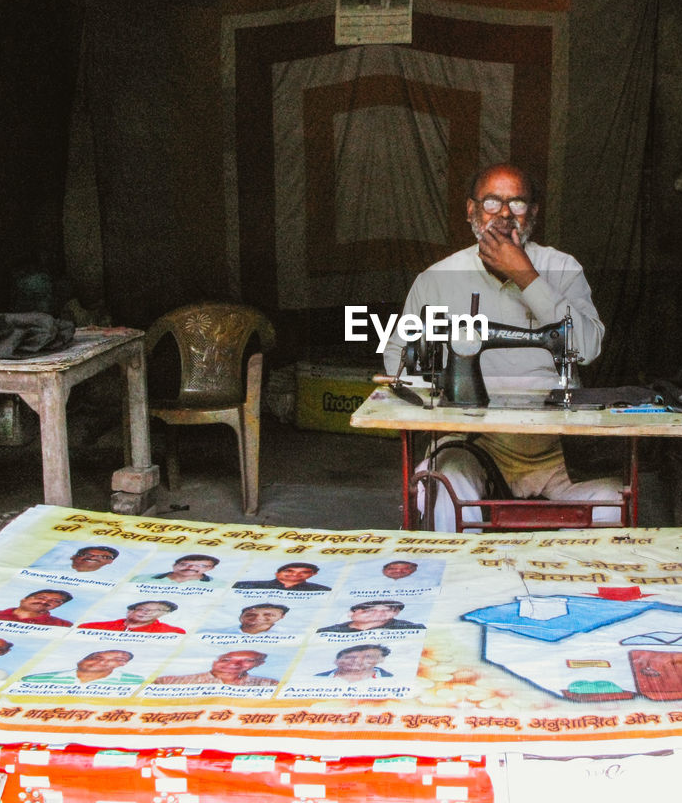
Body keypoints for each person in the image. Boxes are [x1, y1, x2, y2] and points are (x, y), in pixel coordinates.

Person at [382, 163, 619, 531]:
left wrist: (527, 277)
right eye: (492, 202)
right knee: (445, 490)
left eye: (518, 203)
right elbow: (398, 357)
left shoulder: (561, 268)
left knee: (612, 505)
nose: (505, 214)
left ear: (534, 212)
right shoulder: (437, 280)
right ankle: (462, 583)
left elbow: (587, 347)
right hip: (476, 444)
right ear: (471, 210)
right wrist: (444, 383)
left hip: (557, 449)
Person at [153, 650, 277, 687]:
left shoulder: (270, 684)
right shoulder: (166, 682)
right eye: (226, 660)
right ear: (215, 662)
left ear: (259, 664)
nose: (234, 664)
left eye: (247, 661)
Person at [20, 649, 144, 686]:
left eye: (116, 659)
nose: (102, 662)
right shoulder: (34, 680)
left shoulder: (137, 682)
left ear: (122, 664)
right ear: (81, 661)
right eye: (97, 658)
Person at [0, 589, 74, 627]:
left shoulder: (64, 625)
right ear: (23, 599)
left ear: (59, 606)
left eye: (55, 601)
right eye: (41, 597)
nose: (45, 602)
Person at [78, 600, 185, 634]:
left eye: (157, 610)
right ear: (129, 611)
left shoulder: (173, 632)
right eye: (143, 609)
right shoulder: (90, 627)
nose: (147, 613)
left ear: (164, 614)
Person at [318, 600, 423, 633]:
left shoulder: (413, 628)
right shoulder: (328, 631)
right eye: (369, 610)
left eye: (386, 610)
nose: (378, 614)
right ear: (351, 613)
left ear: (396, 613)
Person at [315, 644, 393, 682]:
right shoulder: (316, 678)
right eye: (350, 657)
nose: (357, 661)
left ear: (380, 660)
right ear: (336, 661)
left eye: (368, 657)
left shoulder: (391, 678)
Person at [233, 562, 330, 592]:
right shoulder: (245, 585)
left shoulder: (321, 590)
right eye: (289, 571)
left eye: (304, 572)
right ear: (277, 573)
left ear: (313, 575)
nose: (295, 575)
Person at [209, 603, 290, 635]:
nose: (258, 618)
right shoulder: (216, 633)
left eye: (269, 615)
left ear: (282, 616)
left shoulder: (289, 633)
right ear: (241, 616)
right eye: (250, 614)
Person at [134, 554, 220, 583]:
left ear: (211, 568)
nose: (190, 568)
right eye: (185, 564)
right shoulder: (141, 578)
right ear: (174, 565)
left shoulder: (220, 585)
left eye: (201, 566)